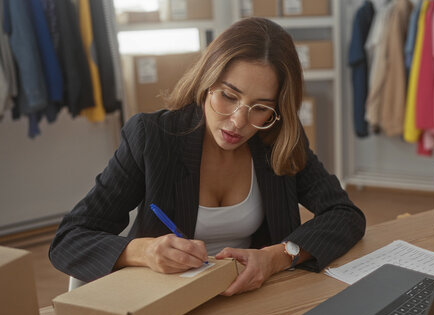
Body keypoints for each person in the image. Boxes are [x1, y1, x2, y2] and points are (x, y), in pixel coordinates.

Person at [49, 18, 366, 296]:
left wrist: (278, 256)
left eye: (260, 108)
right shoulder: (151, 136)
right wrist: (142, 251)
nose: (238, 122)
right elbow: (69, 239)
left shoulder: (278, 140)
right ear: (206, 81)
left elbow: (345, 214)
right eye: (228, 96)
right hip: (164, 304)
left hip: (252, 299)